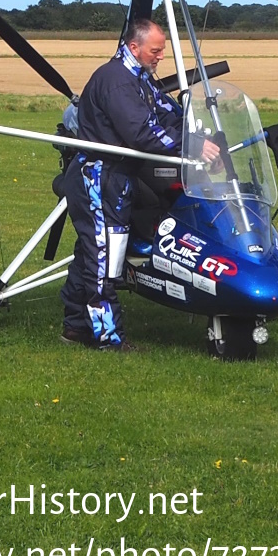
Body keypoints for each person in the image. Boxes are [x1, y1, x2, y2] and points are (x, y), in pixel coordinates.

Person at [59, 18, 220, 349]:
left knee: (92, 253)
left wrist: (201, 134)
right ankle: (108, 337)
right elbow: (141, 132)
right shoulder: (117, 81)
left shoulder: (140, 80)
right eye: (155, 50)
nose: (161, 56)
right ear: (134, 47)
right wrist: (189, 145)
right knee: (104, 258)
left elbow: (168, 113)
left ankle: (75, 326)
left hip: (118, 179)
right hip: (99, 178)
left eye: (162, 49)